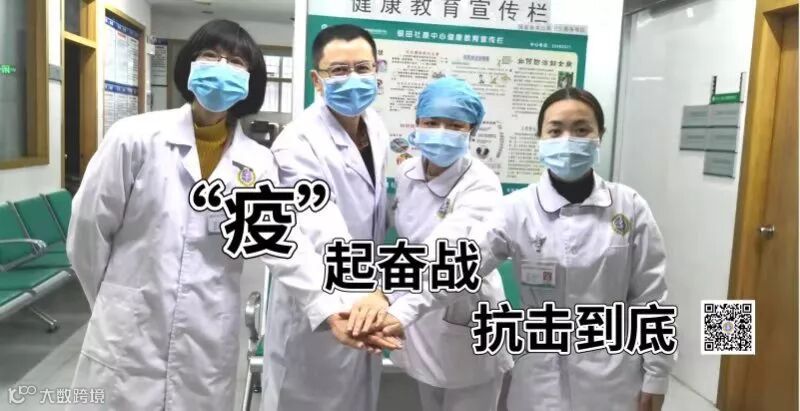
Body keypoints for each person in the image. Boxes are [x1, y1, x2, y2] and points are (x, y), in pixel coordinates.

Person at [65, 20, 384, 410]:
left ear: (250, 80)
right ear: (190, 65)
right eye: (210, 56)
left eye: (236, 62)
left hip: (207, 334)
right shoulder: (134, 137)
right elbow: (87, 233)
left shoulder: (256, 163)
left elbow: (281, 244)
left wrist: (330, 307)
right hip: (128, 331)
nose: (222, 68)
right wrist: (115, 301)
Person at [375, 87, 675, 411]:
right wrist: (400, 312)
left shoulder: (629, 207)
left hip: (612, 376)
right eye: (555, 131)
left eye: (581, 130)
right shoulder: (517, 208)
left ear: (599, 135)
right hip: (539, 378)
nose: (568, 140)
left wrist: (657, 374)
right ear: (540, 138)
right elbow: (461, 268)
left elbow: (650, 297)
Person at [261, 24, 390, 411]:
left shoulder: (375, 127)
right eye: (339, 70)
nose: (353, 79)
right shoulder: (298, 142)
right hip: (317, 308)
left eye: (363, 68)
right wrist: (367, 293)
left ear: (377, 70)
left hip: (363, 301)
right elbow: (322, 228)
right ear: (317, 80)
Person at [378, 77, 514, 411]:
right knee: (429, 399)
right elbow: (405, 242)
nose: (441, 132)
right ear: (417, 123)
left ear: (471, 131)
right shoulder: (407, 173)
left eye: (454, 125)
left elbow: (452, 262)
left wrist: (393, 302)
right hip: (417, 316)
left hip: (464, 311)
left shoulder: (481, 185)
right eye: (431, 122)